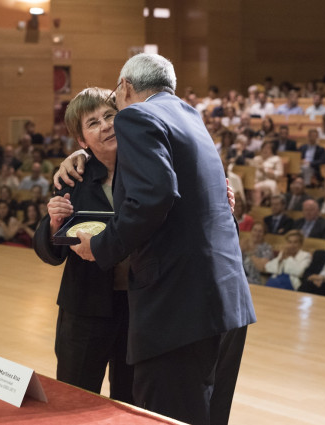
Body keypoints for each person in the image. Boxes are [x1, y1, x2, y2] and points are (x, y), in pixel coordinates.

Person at [69, 54, 256, 425]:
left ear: (125, 87)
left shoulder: (136, 116)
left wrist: (102, 246)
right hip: (225, 299)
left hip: (179, 307)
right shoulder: (189, 114)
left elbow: (153, 196)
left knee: (165, 416)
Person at [33, 87, 134, 403]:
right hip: (85, 307)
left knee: (130, 402)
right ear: (81, 141)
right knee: (74, 400)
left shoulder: (147, 171)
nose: (105, 126)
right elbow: (52, 253)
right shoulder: (73, 177)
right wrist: (54, 223)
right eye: (93, 123)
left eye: (109, 116)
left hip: (140, 307)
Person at [252, 140, 284, 206]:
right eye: (264, 148)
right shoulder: (256, 158)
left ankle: (257, 207)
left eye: (268, 148)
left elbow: (280, 174)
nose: (265, 150)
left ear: (272, 150)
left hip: (269, 181)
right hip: (254, 180)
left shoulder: (276, 159)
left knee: (257, 187)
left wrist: (265, 171)